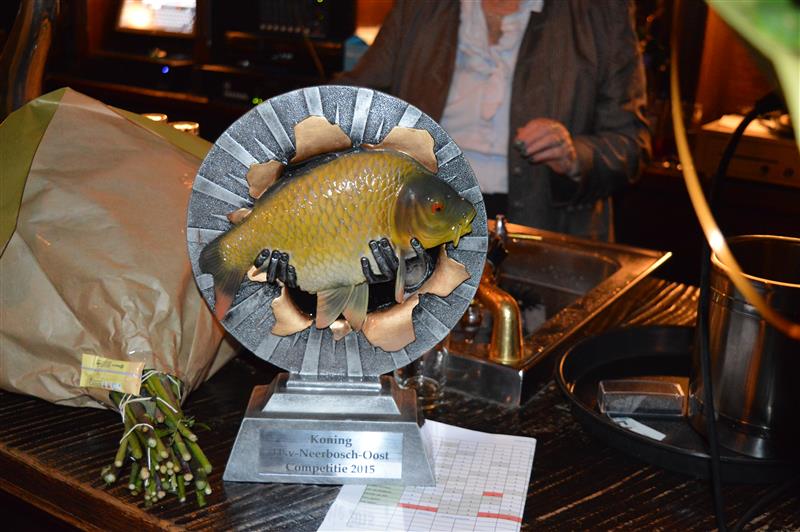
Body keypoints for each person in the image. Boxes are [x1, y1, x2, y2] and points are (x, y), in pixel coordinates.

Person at [337, 0, 650, 241]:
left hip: (545, 234)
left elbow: (630, 143)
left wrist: (574, 156)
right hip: (422, 221)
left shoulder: (600, 11)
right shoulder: (421, 7)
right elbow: (354, 101)